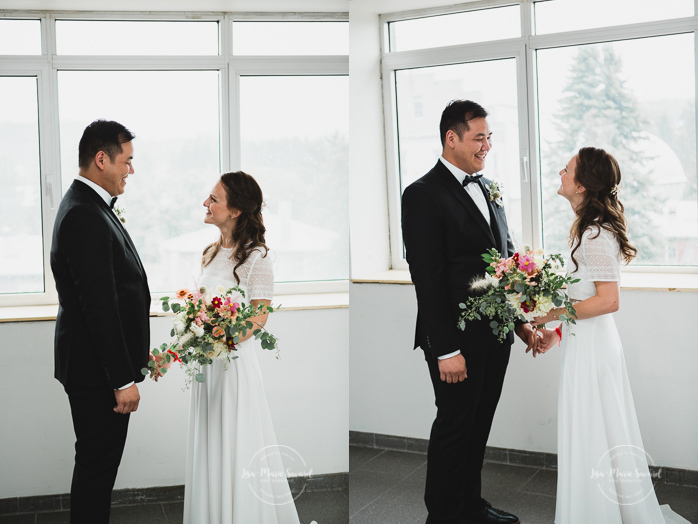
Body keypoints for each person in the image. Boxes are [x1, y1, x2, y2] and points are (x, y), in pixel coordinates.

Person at [533, 147, 689, 524]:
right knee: (592, 426)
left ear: (582, 184)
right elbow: (584, 295)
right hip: (584, 341)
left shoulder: (595, 234)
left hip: (594, 347)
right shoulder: (587, 229)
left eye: (566, 169)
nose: (560, 172)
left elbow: (608, 300)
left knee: (593, 427)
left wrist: (552, 313)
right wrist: (557, 331)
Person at [401, 100, 538, 524]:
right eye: (480, 138)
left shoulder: (489, 187)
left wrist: (521, 323)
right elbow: (428, 278)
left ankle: (471, 508)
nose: (487, 146)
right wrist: (444, 350)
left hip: (495, 336)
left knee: (479, 427)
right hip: (454, 341)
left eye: (489, 137)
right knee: (455, 427)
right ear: (452, 138)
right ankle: (443, 516)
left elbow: (506, 262)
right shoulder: (422, 195)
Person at [183, 171, 301, 524]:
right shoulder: (209, 253)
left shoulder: (257, 258)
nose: (206, 203)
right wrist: (195, 330)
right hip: (207, 366)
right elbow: (199, 307)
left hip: (233, 365)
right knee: (211, 440)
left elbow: (259, 318)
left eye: (214, 199)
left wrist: (222, 339)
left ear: (235, 210)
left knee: (237, 440)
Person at [50, 120, 150, 523]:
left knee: (96, 467)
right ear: (101, 158)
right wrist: (122, 380)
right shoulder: (84, 215)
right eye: (127, 161)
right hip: (97, 372)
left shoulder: (87, 205)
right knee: (96, 468)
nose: (131, 170)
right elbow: (99, 306)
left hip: (95, 366)